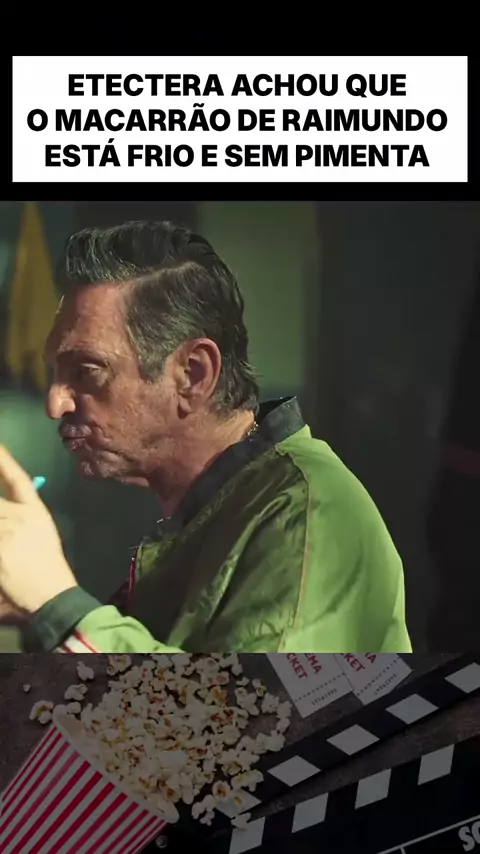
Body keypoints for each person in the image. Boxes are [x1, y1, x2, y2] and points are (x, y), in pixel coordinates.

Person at [0, 220, 412, 654]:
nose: (55, 403)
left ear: (192, 374)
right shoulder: (214, 512)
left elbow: (244, 699)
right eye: (56, 372)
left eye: (87, 371)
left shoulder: (308, 518)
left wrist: (57, 606)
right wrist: (29, 609)